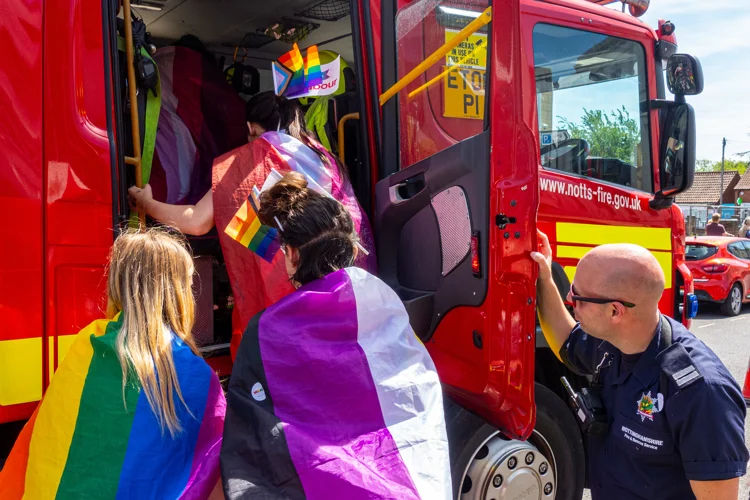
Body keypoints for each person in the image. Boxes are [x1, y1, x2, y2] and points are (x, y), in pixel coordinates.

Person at [220, 173, 451, 500]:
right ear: (349, 247)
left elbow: (255, 439)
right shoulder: (384, 303)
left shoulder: (266, 329)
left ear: (293, 256)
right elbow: (416, 392)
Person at [0, 229, 226, 499]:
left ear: (118, 285)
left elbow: (49, 438)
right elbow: (213, 471)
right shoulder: (197, 376)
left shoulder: (88, 344)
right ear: (177, 292)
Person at [531, 230, 748, 500]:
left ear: (615, 311)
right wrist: (544, 276)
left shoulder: (701, 393)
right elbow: (567, 342)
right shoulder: (611, 342)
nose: (570, 302)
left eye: (577, 298)